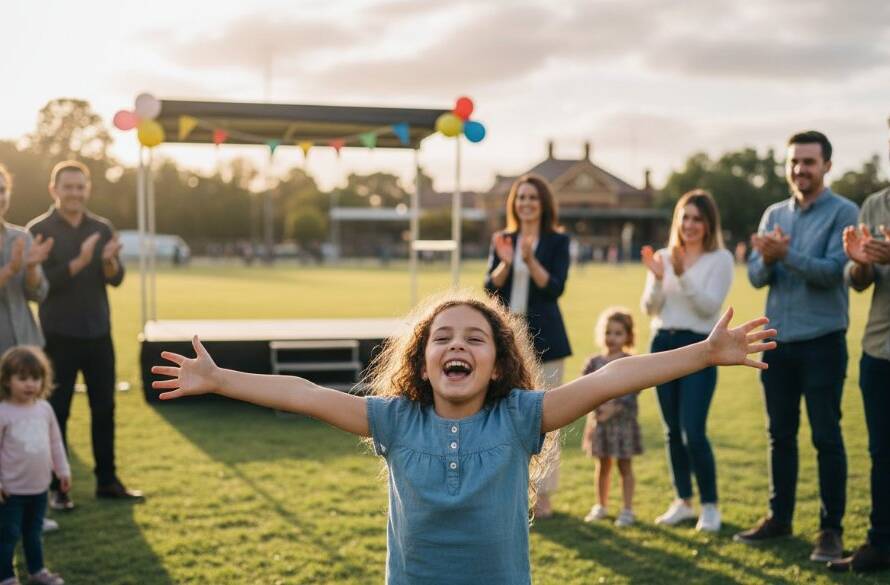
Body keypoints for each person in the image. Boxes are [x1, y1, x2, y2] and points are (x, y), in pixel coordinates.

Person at [151, 290, 774, 584]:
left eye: (475, 338)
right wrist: (222, 378)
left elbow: (613, 377)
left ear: (498, 365)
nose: (457, 345)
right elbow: (304, 394)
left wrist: (701, 354)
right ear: (422, 364)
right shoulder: (395, 420)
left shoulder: (520, 417)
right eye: (441, 338)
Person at [735, 131, 858, 563]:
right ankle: (779, 517)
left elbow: (832, 273)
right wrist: (767, 258)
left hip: (823, 341)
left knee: (827, 436)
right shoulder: (774, 213)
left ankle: (830, 531)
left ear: (826, 165)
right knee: (779, 436)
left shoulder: (845, 212)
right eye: (793, 162)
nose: (799, 170)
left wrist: (783, 255)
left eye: (808, 162)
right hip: (778, 344)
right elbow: (754, 276)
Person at [27, 161, 141, 509]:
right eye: (68, 187)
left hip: (98, 334)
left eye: (80, 187)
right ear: (54, 190)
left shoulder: (102, 227)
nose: (75, 193)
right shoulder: (38, 229)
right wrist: (80, 261)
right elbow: (40, 288)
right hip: (58, 336)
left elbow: (115, 278)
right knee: (56, 413)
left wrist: (107, 261)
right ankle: (57, 488)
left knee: (104, 408)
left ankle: (107, 480)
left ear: (87, 189)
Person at [640, 189, 734, 533]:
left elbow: (709, 307)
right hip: (662, 342)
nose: (690, 225)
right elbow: (649, 308)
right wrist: (659, 278)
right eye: (685, 217)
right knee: (671, 432)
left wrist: (679, 275)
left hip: (700, 345)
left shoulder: (720, 259)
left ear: (709, 224)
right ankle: (683, 501)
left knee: (692, 429)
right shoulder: (664, 256)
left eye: (698, 219)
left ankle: (709, 506)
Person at [485, 174, 571, 519]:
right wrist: (507, 260)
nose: (526, 203)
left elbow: (555, 288)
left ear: (543, 203)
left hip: (547, 340)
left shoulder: (557, 241)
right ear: (514, 203)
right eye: (521, 197)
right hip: (508, 341)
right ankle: (510, 490)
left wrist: (530, 259)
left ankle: (545, 496)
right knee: (504, 415)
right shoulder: (503, 239)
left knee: (546, 419)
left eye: (533, 197)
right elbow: (490, 289)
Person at [828, 188, 890, 573]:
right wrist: (860, 262)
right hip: (880, 349)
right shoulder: (875, 205)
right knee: (882, 454)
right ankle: (882, 542)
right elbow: (861, 282)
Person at [0, 164, 59, 535]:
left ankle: (32, 510)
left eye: (2, 189)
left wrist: (33, 269)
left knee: (26, 436)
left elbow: (39, 293)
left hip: (24, 348)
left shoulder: (21, 235)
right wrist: (9, 270)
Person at [0, 346, 70, 585]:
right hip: (10, 491)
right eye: (22, 378)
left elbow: (55, 442)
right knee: (7, 535)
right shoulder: (3, 412)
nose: (30, 384)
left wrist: (63, 470)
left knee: (33, 533)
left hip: (39, 488)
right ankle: (7, 577)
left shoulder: (44, 409)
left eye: (35, 378)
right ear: (7, 380)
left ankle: (37, 571)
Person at [581, 308, 641, 528]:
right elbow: (584, 388)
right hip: (600, 425)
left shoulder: (630, 361)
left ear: (628, 336)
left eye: (618, 333)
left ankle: (627, 510)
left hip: (622, 424)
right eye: (608, 332)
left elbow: (634, 388)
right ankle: (601, 505)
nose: (612, 338)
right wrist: (597, 409)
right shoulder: (593, 362)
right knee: (602, 466)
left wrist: (614, 408)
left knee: (625, 467)